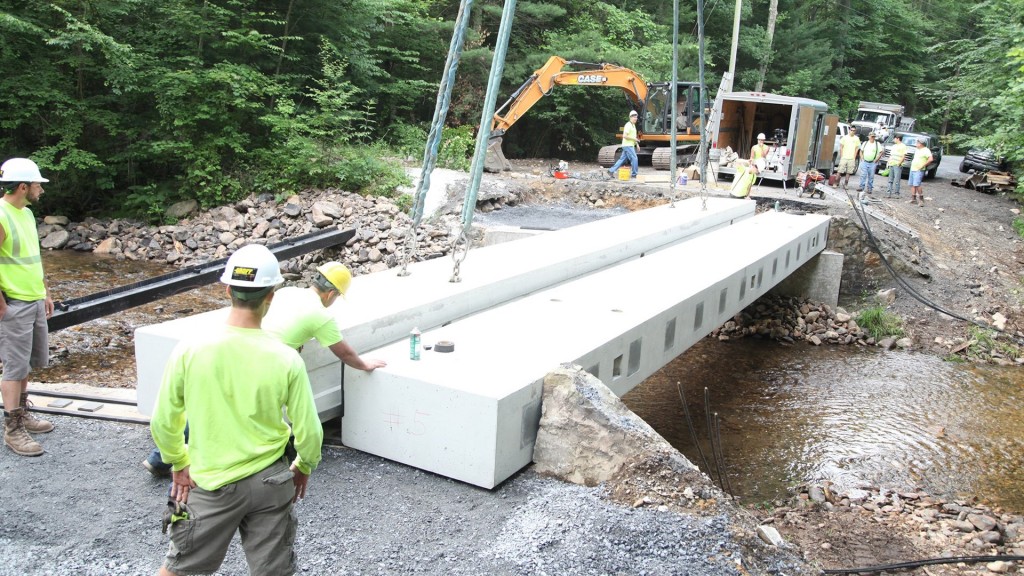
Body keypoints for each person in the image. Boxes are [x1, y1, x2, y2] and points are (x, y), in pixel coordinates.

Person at [150, 244, 323, 576]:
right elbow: (310, 431)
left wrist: (178, 462)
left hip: (209, 483)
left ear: (227, 289)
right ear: (272, 295)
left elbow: (164, 420)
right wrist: (304, 464)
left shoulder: (190, 349)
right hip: (272, 481)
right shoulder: (286, 357)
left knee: (179, 567)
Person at [143, 260, 385, 476]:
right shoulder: (320, 315)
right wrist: (364, 364)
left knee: (211, 404)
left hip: (239, 342)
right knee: (254, 410)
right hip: (265, 357)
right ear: (331, 293)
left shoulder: (289, 292)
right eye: (336, 297)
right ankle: (245, 463)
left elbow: (277, 322)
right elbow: (343, 352)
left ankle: (159, 458)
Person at [0, 158, 55, 457]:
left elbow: (35, 258)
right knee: (13, 365)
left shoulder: (27, 215)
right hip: (15, 304)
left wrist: (45, 292)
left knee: (26, 363)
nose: (40, 190)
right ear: (22, 186)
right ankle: (12, 429)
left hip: (32, 299)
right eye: (37, 185)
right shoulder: (1, 215)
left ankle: (21, 413)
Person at [607, 109, 639, 179]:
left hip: (630, 145)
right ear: (630, 117)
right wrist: (634, 139)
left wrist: (637, 144)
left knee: (622, 159)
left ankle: (611, 171)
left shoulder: (633, 125)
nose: (635, 118)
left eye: (636, 117)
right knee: (634, 158)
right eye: (634, 117)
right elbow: (625, 136)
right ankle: (634, 174)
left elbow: (633, 136)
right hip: (627, 145)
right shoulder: (628, 125)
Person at [856, 132, 884, 201]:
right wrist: (862, 158)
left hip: (872, 162)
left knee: (871, 176)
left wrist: (876, 159)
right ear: (869, 137)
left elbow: (881, 152)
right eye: (871, 136)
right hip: (865, 161)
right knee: (863, 175)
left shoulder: (877, 144)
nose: (872, 138)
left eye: (873, 137)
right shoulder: (865, 143)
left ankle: (869, 188)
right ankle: (861, 187)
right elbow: (861, 151)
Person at [908, 139, 933, 206]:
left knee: (917, 184)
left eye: (917, 142)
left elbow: (930, 159)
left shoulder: (926, 150)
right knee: (912, 184)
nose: (916, 143)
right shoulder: (917, 150)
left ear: (921, 143)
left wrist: (923, 166)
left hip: (919, 170)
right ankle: (913, 199)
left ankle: (921, 200)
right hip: (913, 168)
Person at [884, 134, 908, 198]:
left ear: (898, 138)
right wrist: (888, 162)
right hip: (892, 163)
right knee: (890, 179)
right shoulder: (894, 146)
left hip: (897, 164)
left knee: (897, 179)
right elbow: (891, 155)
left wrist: (899, 163)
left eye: (894, 138)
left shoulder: (903, 146)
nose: (893, 140)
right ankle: (888, 192)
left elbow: (903, 156)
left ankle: (896, 193)